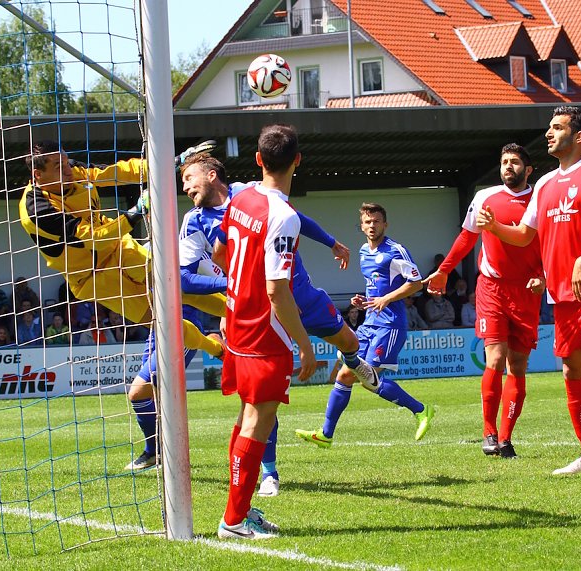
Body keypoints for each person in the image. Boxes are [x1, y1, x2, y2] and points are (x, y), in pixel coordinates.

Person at [122, 150, 379, 493]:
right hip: (260, 309)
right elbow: (182, 278)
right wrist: (234, 285)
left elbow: (294, 216)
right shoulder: (195, 222)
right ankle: (269, 472)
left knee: (350, 343)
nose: (185, 188)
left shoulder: (249, 193)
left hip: (300, 292)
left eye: (188, 178)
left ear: (212, 174)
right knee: (259, 397)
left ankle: (355, 365)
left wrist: (332, 242)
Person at [476, 107, 581, 476]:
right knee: (571, 370)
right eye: (549, 127)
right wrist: (495, 226)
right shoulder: (545, 184)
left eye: (558, 127)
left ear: (578, 136)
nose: (549, 133)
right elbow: (526, 235)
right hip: (562, 297)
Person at [18, 139, 226, 358]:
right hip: (92, 278)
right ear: (37, 175)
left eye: (66, 162)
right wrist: (135, 212)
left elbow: (119, 171)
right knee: (162, 319)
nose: (68, 170)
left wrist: (172, 163)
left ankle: (240, 312)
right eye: (58, 167)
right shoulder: (36, 211)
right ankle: (215, 349)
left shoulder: (74, 170)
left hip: (118, 248)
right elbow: (92, 238)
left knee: (173, 286)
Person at [212, 124, 316, 540]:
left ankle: (242, 509)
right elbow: (277, 289)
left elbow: (220, 251)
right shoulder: (284, 217)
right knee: (258, 420)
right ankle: (233, 521)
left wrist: (233, 296)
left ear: (257, 159)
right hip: (263, 334)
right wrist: (305, 346)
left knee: (246, 418)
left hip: (237, 324)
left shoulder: (242, 197)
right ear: (297, 160)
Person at [425, 143, 543, 459]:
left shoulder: (541, 200)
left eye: (515, 162)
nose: (508, 166)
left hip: (527, 293)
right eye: (504, 161)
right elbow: (467, 237)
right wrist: (443, 271)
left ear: (528, 170)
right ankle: (488, 433)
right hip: (491, 289)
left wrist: (544, 274)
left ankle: (505, 439)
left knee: (518, 365)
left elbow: (553, 244)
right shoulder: (484, 197)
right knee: (495, 358)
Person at [295, 202, 435, 449]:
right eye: (368, 222)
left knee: (368, 380)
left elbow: (416, 283)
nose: (372, 226)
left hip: (390, 326)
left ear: (385, 224)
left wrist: (386, 299)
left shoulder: (395, 250)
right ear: (361, 226)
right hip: (370, 322)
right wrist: (361, 300)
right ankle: (326, 434)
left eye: (377, 221)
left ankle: (421, 410)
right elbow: (376, 286)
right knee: (345, 374)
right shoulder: (362, 251)